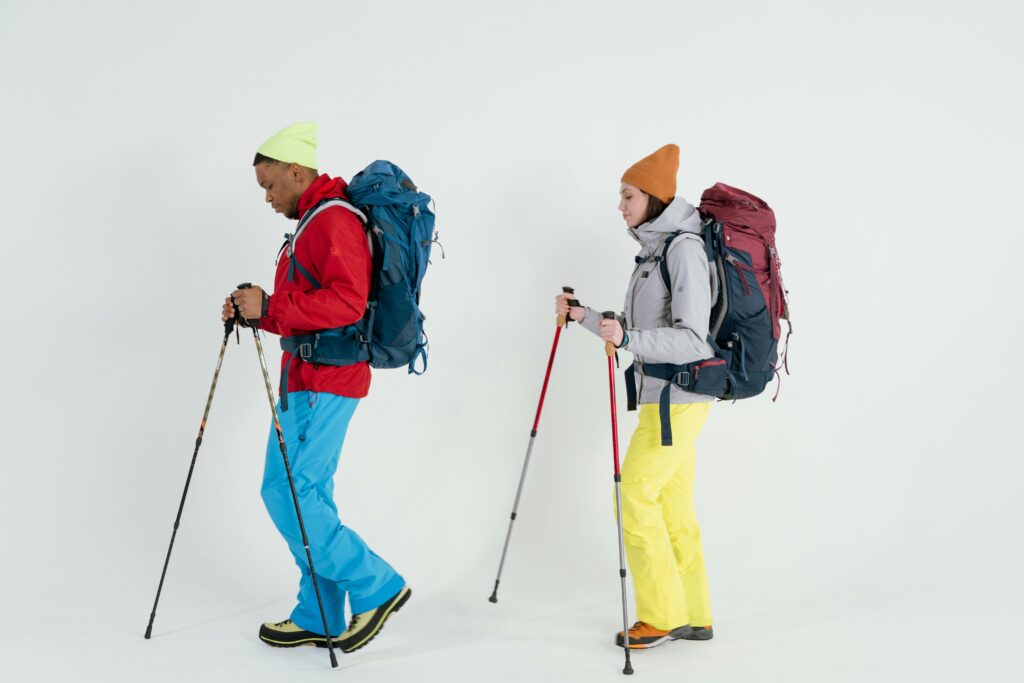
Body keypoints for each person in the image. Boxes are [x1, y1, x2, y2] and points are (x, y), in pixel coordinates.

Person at [223, 122, 410, 653]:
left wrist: (272, 308)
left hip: (329, 380)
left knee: (296, 494)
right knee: (297, 493)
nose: (267, 196)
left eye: (271, 185)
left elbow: (348, 302)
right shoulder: (308, 224)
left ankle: (377, 585)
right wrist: (256, 313)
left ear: (296, 171)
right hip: (301, 380)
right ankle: (321, 613)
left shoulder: (333, 220)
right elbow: (303, 310)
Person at [555, 144, 717, 649]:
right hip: (667, 398)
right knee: (671, 506)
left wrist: (628, 340)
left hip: (676, 399)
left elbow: (694, 339)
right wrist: (586, 318)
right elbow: (637, 331)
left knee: (632, 494)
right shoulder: (654, 252)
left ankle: (660, 616)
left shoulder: (682, 250)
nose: (620, 206)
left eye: (627, 195)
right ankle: (694, 613)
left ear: (653, 197)